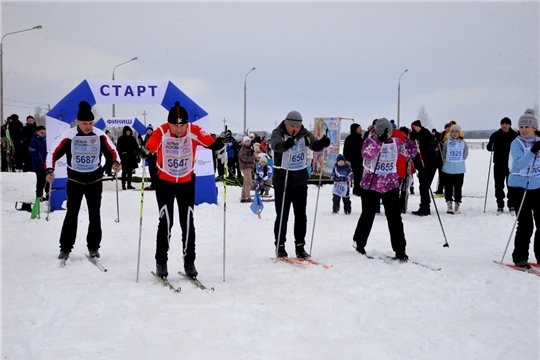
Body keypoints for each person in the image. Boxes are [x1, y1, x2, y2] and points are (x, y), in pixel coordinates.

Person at [145, 101, 231, 279]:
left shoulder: (194, 130)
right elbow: (150, 146)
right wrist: (144, 151)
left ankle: (189, 262)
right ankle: (161, 262)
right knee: (166, 221)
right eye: (175, 125)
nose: (179, 129)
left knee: (187, 222)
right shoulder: (161, 131)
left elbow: (212, 144)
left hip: (186, 182)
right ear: (169, 123)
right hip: (165, 182)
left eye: (182, 124)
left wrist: (221, 140)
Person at [45, 101, 120, 260]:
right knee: (71, 214)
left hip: (94, 181)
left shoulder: (99, 134)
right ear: (77, 122)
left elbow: (113, 151)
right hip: (75, 181)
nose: (88, 126)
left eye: (91, 123)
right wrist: (49, 170)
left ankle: (93, 247)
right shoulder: (69, 135)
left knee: (95, 214)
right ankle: (65, 248)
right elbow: (52, 153)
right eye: (85, 123)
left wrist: (115, 163)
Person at [352, 118, 418, 261]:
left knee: (394, 218)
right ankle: (359, 242)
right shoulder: (370, 140)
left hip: (390, 184)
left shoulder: (395, 142)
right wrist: (378, 142)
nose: (386, 136)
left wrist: (412, 140)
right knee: (368, 215)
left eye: (388, 133)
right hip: (371, 185)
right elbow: (366, 154)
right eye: (383, 133)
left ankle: (400, 249)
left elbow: (411, 153)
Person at [270, 110, 330, 259]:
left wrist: (321, 143)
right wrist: (286, 144)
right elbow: (276, 146)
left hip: (300, 181)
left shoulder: (304, 133)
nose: (295, 129)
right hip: (282, 181)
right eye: (292, 126)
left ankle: (300, 246)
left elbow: (314, 144)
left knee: (301, 216)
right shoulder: (277, 132)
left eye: (297, 126)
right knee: (282, 215)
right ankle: (280, 246)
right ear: (286, 124)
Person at [507, 108, 540, 269]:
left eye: (527, 126)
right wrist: (533, 151)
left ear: (535, 128)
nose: (524, 130)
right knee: (526, 224)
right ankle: (520, 258)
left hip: (537, 187)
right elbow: (518, 164)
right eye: (521, 127)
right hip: (519, 187)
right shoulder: (517, 143)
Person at [486, 117, 518, 215]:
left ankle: (511, 205)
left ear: (509, 125)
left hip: (511, 165)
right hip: (499, 164)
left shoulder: (515, 135)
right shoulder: (496, 135)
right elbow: (489, 148)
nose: (504, 125)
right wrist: (491, 142)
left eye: (506, 124)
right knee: (498, 186)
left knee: (511, 185)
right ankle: (500, 205)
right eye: (502, 124)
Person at [410, 119, 438, 216]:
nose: (413, 129)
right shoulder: (413, 136)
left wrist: (420, 152)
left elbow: (432, 146)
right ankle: (424, 206)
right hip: (420, 166)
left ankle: (426, 207)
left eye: (415, 127)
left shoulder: (426, 134)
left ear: (419, 126)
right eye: (412, 128)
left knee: (425, 186)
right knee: (422, 186)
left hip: (429, 164)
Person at [441, 123, 469, 214]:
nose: (455, 133)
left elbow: (465, 154)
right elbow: (444, 154)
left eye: (457, 131)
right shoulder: (446, 143)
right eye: (453, 131)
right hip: (448, 168)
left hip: (459, 168)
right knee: (448, 187)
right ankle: (449, 204)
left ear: (459, 133)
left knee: (458, 187)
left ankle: (457, 204)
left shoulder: (463, 143)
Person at [28, 125, 50, 201]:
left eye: (44, 133)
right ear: (37, 132)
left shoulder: (46, 140)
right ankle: (39, 196)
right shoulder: (34, 140)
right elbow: (31, 152)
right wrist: (39, 159)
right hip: (39, 164)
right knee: (41, 181)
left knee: (48, 180)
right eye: (42, 133)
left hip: (46, 164)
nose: (43, 134)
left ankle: (48, 196)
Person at [116, 125, 140, 190]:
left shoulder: (132, 138)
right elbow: (118, 148)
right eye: (127, 131)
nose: (128, 132)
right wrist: (121, 155)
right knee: (124, 171)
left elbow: (136, 147)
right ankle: (123, 185)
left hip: (131, 157)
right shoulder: (121, 139)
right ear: (124, 132)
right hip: (124, 158)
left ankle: (129, 184)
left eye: (129, 131)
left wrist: (138, 154)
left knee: (130, 172)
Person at [343, 123, 364, 196]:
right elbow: (345, 151)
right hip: (352, 161)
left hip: (360, 161)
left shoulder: (360, 138)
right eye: (359, 128)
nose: (361, 129)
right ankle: (354, 190)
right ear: (355, 129)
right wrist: (347, 160)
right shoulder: (349, 139)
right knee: (355, 175)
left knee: (360, 175)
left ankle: (358, 189)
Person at [140, 124, 157, 190]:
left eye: (150, 130)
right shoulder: (146, 137)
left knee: (155, 171)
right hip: (149, 156)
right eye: (148, 130)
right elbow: (144, 146)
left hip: (154, 156)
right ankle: (153, 183)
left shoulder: (154, 137)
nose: (149, 131)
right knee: (151, 170)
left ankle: (155, 184)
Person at [239, 136, 255, 202]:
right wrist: (253, 157)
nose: (248, 143)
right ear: (243, 142)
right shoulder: (243, 150)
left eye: (248, 141)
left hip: (248, 166)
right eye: (246, 141)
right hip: (245, 166)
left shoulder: (249, 148)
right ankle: (247, 196)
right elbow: (245, 158)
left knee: (245, 182)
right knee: (249, 182)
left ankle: (243, 197)